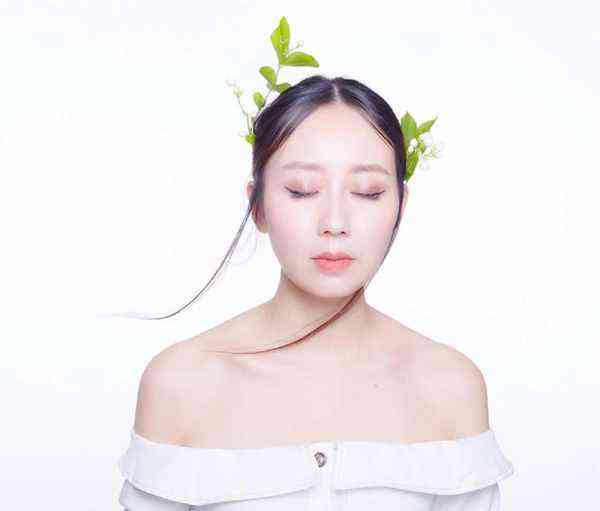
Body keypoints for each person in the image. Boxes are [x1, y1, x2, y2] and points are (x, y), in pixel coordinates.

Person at [116, 73, 514, 510]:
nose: (335, 223)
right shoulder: (180, 382)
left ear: (400, 205)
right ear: (258, 205)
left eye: (368, 192)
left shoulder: (450, 386)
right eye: (301, 190)